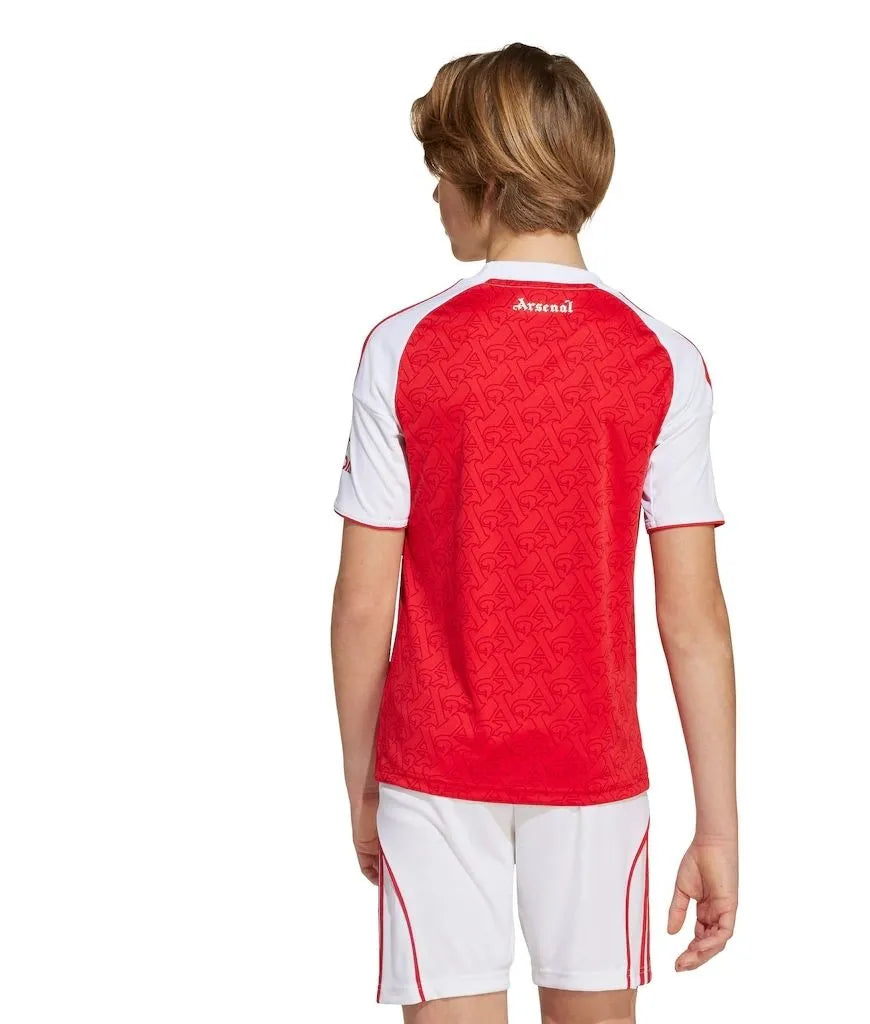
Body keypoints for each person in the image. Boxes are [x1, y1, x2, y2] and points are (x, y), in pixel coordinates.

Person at [330, 42, 737, 1024]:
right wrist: (718, 827)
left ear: (487, 182)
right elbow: (692, 619)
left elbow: (360, 604)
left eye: (440, 172)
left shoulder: (403, 347)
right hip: (594, 776)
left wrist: (361, 783)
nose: (433, 196)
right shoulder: (662, 359)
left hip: (432, 771)